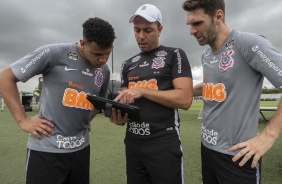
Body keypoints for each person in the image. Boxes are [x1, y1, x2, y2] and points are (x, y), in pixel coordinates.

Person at [0, 17, 116, 184]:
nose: (103, 59)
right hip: (47, 151)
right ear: (83, 44)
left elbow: (98, 103)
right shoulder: (54, 53)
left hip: (81, 150)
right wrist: (22, 120)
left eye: (108, 53)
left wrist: (85, 119)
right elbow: (5, 78)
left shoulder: (104, 71)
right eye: (98, 54)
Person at [182, 0, 282, 183]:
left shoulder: (248, 43)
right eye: (190, 24)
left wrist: (268, 136)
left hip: (238, 156)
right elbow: (211, 86)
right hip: (208, 148)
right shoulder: (206, 54)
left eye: (197, 23)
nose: (191, 31)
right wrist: (178, 91)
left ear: (218, 16)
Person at [110, 4, 193, 184]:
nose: (141, 36)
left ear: (160, 29)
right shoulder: (127, 64)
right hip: (133, 142)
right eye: (137, 30)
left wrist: (143, 90)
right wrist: (119, 116)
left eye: (147, 30)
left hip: (163, 141)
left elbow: (185, 99)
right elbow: (126, 101)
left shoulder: (174, 54)